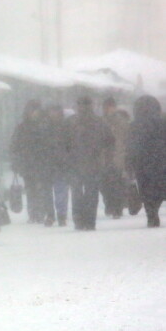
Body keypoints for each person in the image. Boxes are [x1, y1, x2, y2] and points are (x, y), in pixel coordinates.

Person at [64, 96, 114, 231]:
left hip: (76, 164)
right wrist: (104, 157)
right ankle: (90, 220)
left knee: (77, 193)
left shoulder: (71, 122)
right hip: (93, 163)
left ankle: (78, 219)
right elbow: (110, 142)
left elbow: (63, 143)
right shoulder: (99, 122)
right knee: (91, 193)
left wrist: (67, 158)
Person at [126, 95, 166, 228]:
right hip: (161, 162)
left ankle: (151, 214)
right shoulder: (163, 123)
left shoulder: (134, 126)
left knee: (146, 190)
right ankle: (155, 207)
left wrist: (129, 164)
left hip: (142, 163)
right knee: (161, 188)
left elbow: (130, 147)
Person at [10, 100, 52, 224]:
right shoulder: (22, 127)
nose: (34, 113)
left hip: (41, 163)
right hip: (28, 164)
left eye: (35, 111)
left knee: (40, 189)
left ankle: (39, 212)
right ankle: (33, 213)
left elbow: (50, 144)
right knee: (30, 189)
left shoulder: (44, 126)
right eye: (31, 111)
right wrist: (16, 161)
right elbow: (14, 146)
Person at [101, 97, 131, 218]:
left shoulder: (121, 121)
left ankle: (117, 208)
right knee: (104, 184)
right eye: (107, 107)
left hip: (118, 156)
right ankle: (109, 204)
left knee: (117, 184)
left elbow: (126, 139)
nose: (109, 109)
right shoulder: (101, 121)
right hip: (104, 157)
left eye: (111, 106)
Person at [45, 104, 70, 226]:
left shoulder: (65, 127)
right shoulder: (45, 127)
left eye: (55, 111)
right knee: (48, 191)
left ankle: (61, 215)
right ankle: (50, 214)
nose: (53, 114)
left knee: (61, 191)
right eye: (51, 111)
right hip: (48, 164)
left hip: (61, 164)